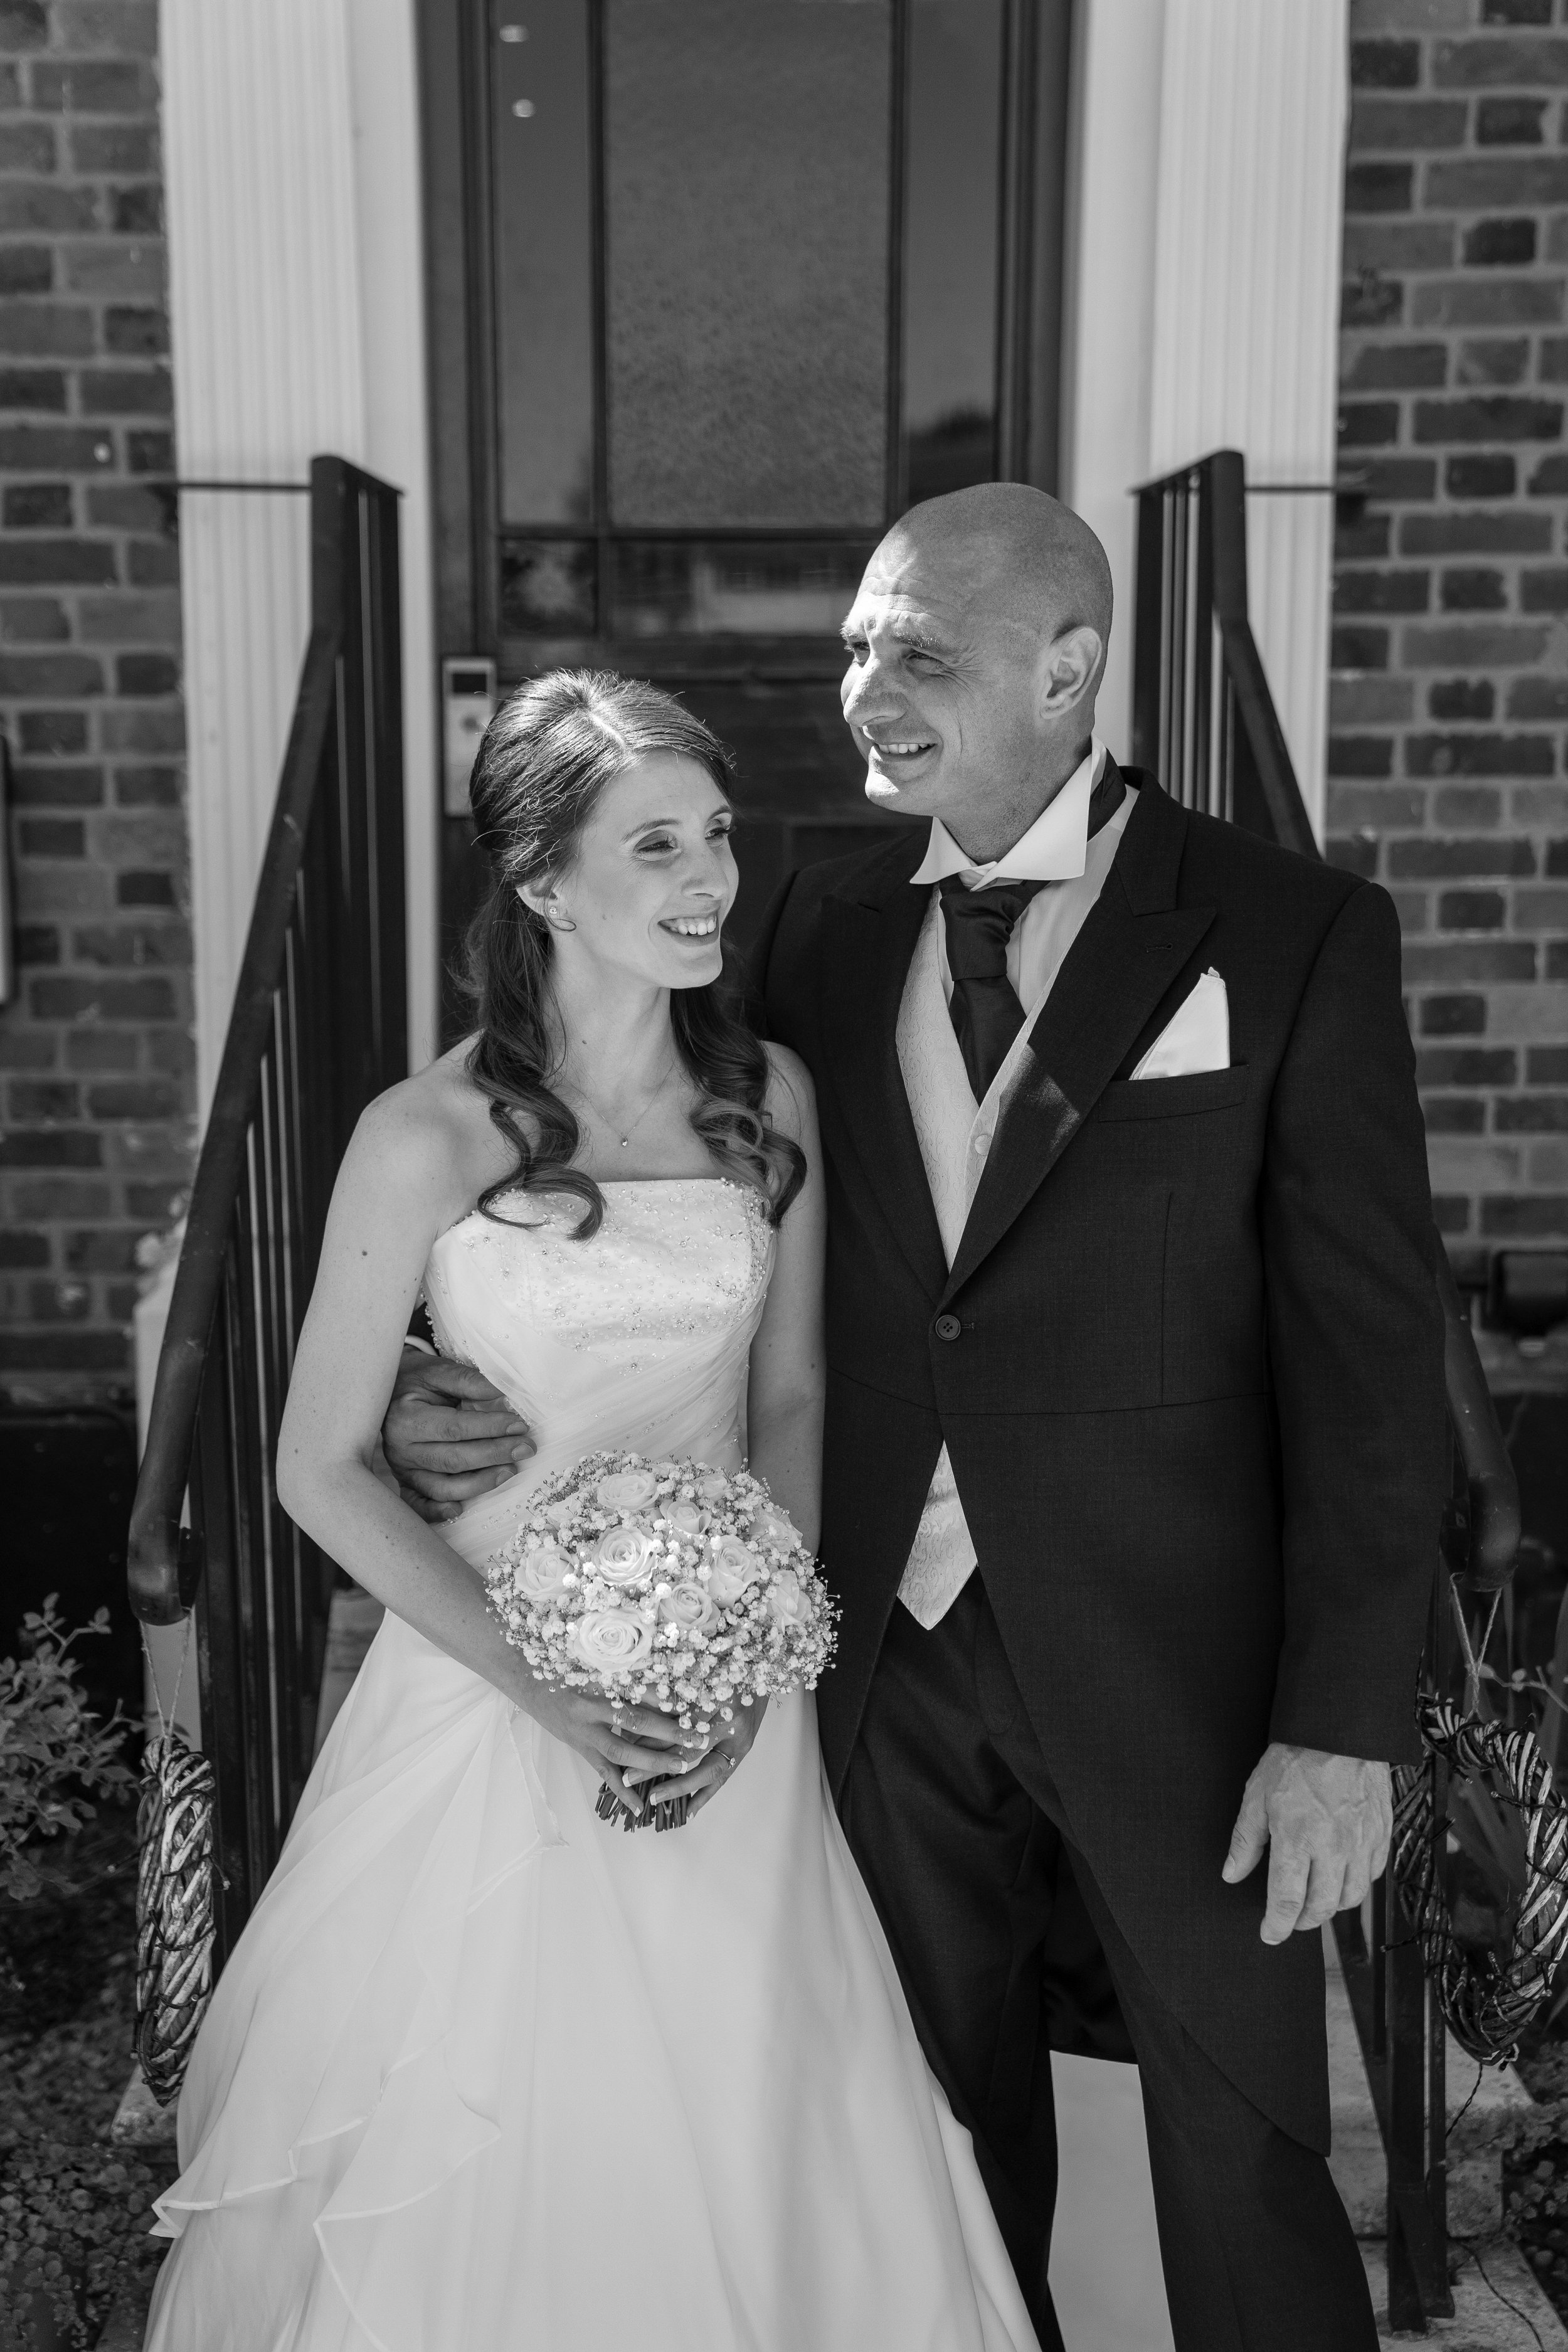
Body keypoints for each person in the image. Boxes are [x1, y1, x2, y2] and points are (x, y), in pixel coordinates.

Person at [386, 487, 1448, 2351]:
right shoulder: (801, 910)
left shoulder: (1286, 934)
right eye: (860, 643)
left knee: (1243, 2149)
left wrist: (1340, 1726)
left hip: (1178, 1668)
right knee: (931, 2150)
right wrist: (427, 1348)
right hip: (875, 1644)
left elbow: (1369, 1364)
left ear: (1068, 667)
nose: (868, 687)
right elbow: (615, 1148)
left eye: (922, 654)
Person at [142, 672, 1039, 2352]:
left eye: (714, 837)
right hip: (495, 1682)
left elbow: (786, 1396)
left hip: (724, 1690)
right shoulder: (427, 1132)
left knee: (755, 2090)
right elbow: (314, 1464)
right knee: (505, 2114)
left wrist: (750, 1647)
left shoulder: (767, 1096)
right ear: (545, 886)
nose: (708, 879)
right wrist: (555, 1689)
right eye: (655, 847)